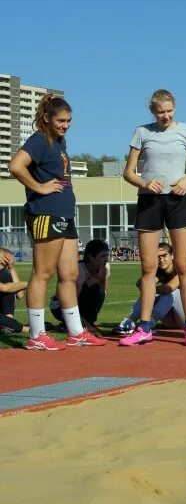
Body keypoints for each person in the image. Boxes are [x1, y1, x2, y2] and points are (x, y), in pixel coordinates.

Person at [7, 95, 105, 349]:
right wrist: (38, 187)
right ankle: (37, 335)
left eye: (69, 121)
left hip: (64, 214)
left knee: (70, 274)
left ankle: (75, 332)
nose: (65, 125)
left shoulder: (60, 142)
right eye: (61, 120)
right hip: (45, 213)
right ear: (47, 118)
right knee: (43, 273)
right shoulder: (40, 139)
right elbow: (16, 166)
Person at [119, 89, 186, 347]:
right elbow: (128, 172)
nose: (166, 116)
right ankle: (145, 327)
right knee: (148, 267)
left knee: (183, 265)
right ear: (152, 111)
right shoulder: (142, 132)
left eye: (169, 111)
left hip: (178, 200)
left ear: (175, 109)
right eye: (161, 111)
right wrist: (145, 183)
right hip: (149, 201)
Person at [113, 242, 186, 335]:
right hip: (172, 320)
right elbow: (140, 283)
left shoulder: (180, 270)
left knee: (170, 292)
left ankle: (149, 324)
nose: (161, 259)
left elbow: (168, 289)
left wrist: (148, 288)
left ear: (172, 256)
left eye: (164, 255)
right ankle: (131, 320)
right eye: (158, 257)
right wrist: (147, 282)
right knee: (151, 292)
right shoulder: (159, 271)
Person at [49, 239, 110, 334]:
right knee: (93, 289)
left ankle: (87, 322)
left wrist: (98, 280)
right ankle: (69, 324)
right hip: (59, 306)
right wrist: (88, 326)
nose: (106, 259)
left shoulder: (105, 268)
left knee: (98, 290)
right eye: (102, 256)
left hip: (79, 300)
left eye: (107, 255)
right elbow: (71, 302)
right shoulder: (79, 270)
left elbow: (103, 292)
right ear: (91, 257)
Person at [0, 248, 28, 334]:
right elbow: (4, 288)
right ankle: (27, 329)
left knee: (11, 287)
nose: (9, 258)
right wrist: (29, 284)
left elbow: (20, 295)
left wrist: (12, 268)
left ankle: (9, 321)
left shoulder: (6, 274)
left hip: (4, 314)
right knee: (9, 287)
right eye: (6, 255)